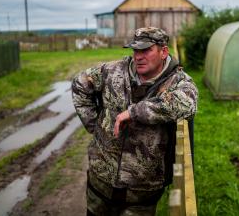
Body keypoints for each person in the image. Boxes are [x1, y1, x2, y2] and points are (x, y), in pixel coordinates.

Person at [71, 27, 198, 216]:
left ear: (164, 52)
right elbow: (80, 83)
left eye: (146, 50)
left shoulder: (177, 81)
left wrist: (134, 113)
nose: (138, 56)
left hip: (142, 192)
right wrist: (95, 125)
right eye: (135, 50)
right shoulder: (112, 71)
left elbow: (187, 103)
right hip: (101, 182)